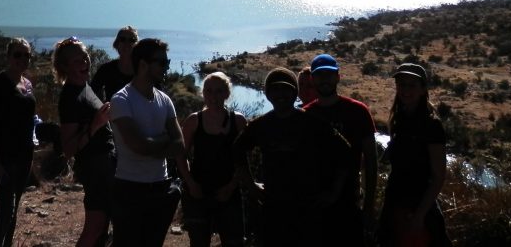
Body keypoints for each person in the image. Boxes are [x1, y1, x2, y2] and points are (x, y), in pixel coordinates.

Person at [233, 68, 350, 247]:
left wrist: (334, 193)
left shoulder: (312, 123)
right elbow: (237, 150)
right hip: (273, 207)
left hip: (308, 209)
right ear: (268, 94)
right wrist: (252, 186)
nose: (281, 94)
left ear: (294, 93)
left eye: (286, 89)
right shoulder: (262, 125)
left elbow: (345, 152)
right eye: (275, 89)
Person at [108, 38, 184, 247]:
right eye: (161, 62)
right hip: (129, 189)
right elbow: (137, 145)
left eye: (167, 62)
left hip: (161, 186)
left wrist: (151, 144)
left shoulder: (165, 100)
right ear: (142, 64)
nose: (166, 67)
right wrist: (164, 139)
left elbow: (179, 145)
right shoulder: (121, 100)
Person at [304, 53, 379, 246]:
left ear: (338, 76)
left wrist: (369, 206)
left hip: (350, 203)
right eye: (320, 75)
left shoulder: (358, 111)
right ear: (312, 79)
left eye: (329, 74)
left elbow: (371, 161)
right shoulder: (306, 115)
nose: (325, 80)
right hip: (315, 205)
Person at [376, 63, 451, 247]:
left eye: (412, 85)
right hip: (395, 203)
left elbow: (438, 177)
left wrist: (419, 216)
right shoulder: (399, 119)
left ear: (423, 88)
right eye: (402, 84)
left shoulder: (431, 125)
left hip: (418, 208)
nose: (405, 90)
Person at [53, 37, 115, 247]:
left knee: (104, 226)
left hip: (106, 164)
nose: (85, 63)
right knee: (95, 227)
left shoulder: (85, 87)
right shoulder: (70, 97)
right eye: (78, 61)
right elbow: (68, 149)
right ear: (65, 67)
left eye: (86, 57)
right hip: (94, 167)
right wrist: (96, 124)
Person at [176, 72, 247, 247]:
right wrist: (191, 184)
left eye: (218, 91)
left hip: (229, 192)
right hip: (199, 192)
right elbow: (180, 155)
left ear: (227, 94)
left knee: (234, 241)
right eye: (208, 91)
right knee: (199, 242)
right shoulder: (194, 121)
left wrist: (231, 186)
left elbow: (242, 159)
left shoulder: (238, 121)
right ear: (203, 93)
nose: (213, 96)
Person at [0, 38, 37, 247]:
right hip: (5, 158)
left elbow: (29, 119)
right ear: (8, 56)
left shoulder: (27, 84)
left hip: (24, 157)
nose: (22, 59)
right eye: (18, 54)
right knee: (5, 212)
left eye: (27, 55)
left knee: (13, 212)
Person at [91, 25, 138, 101]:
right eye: (122, 39)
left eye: (132, 40)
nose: (127, 43)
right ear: (116, 44)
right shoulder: (106, 69)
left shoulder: (142, 71)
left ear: (137, 46)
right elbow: (91, 93)